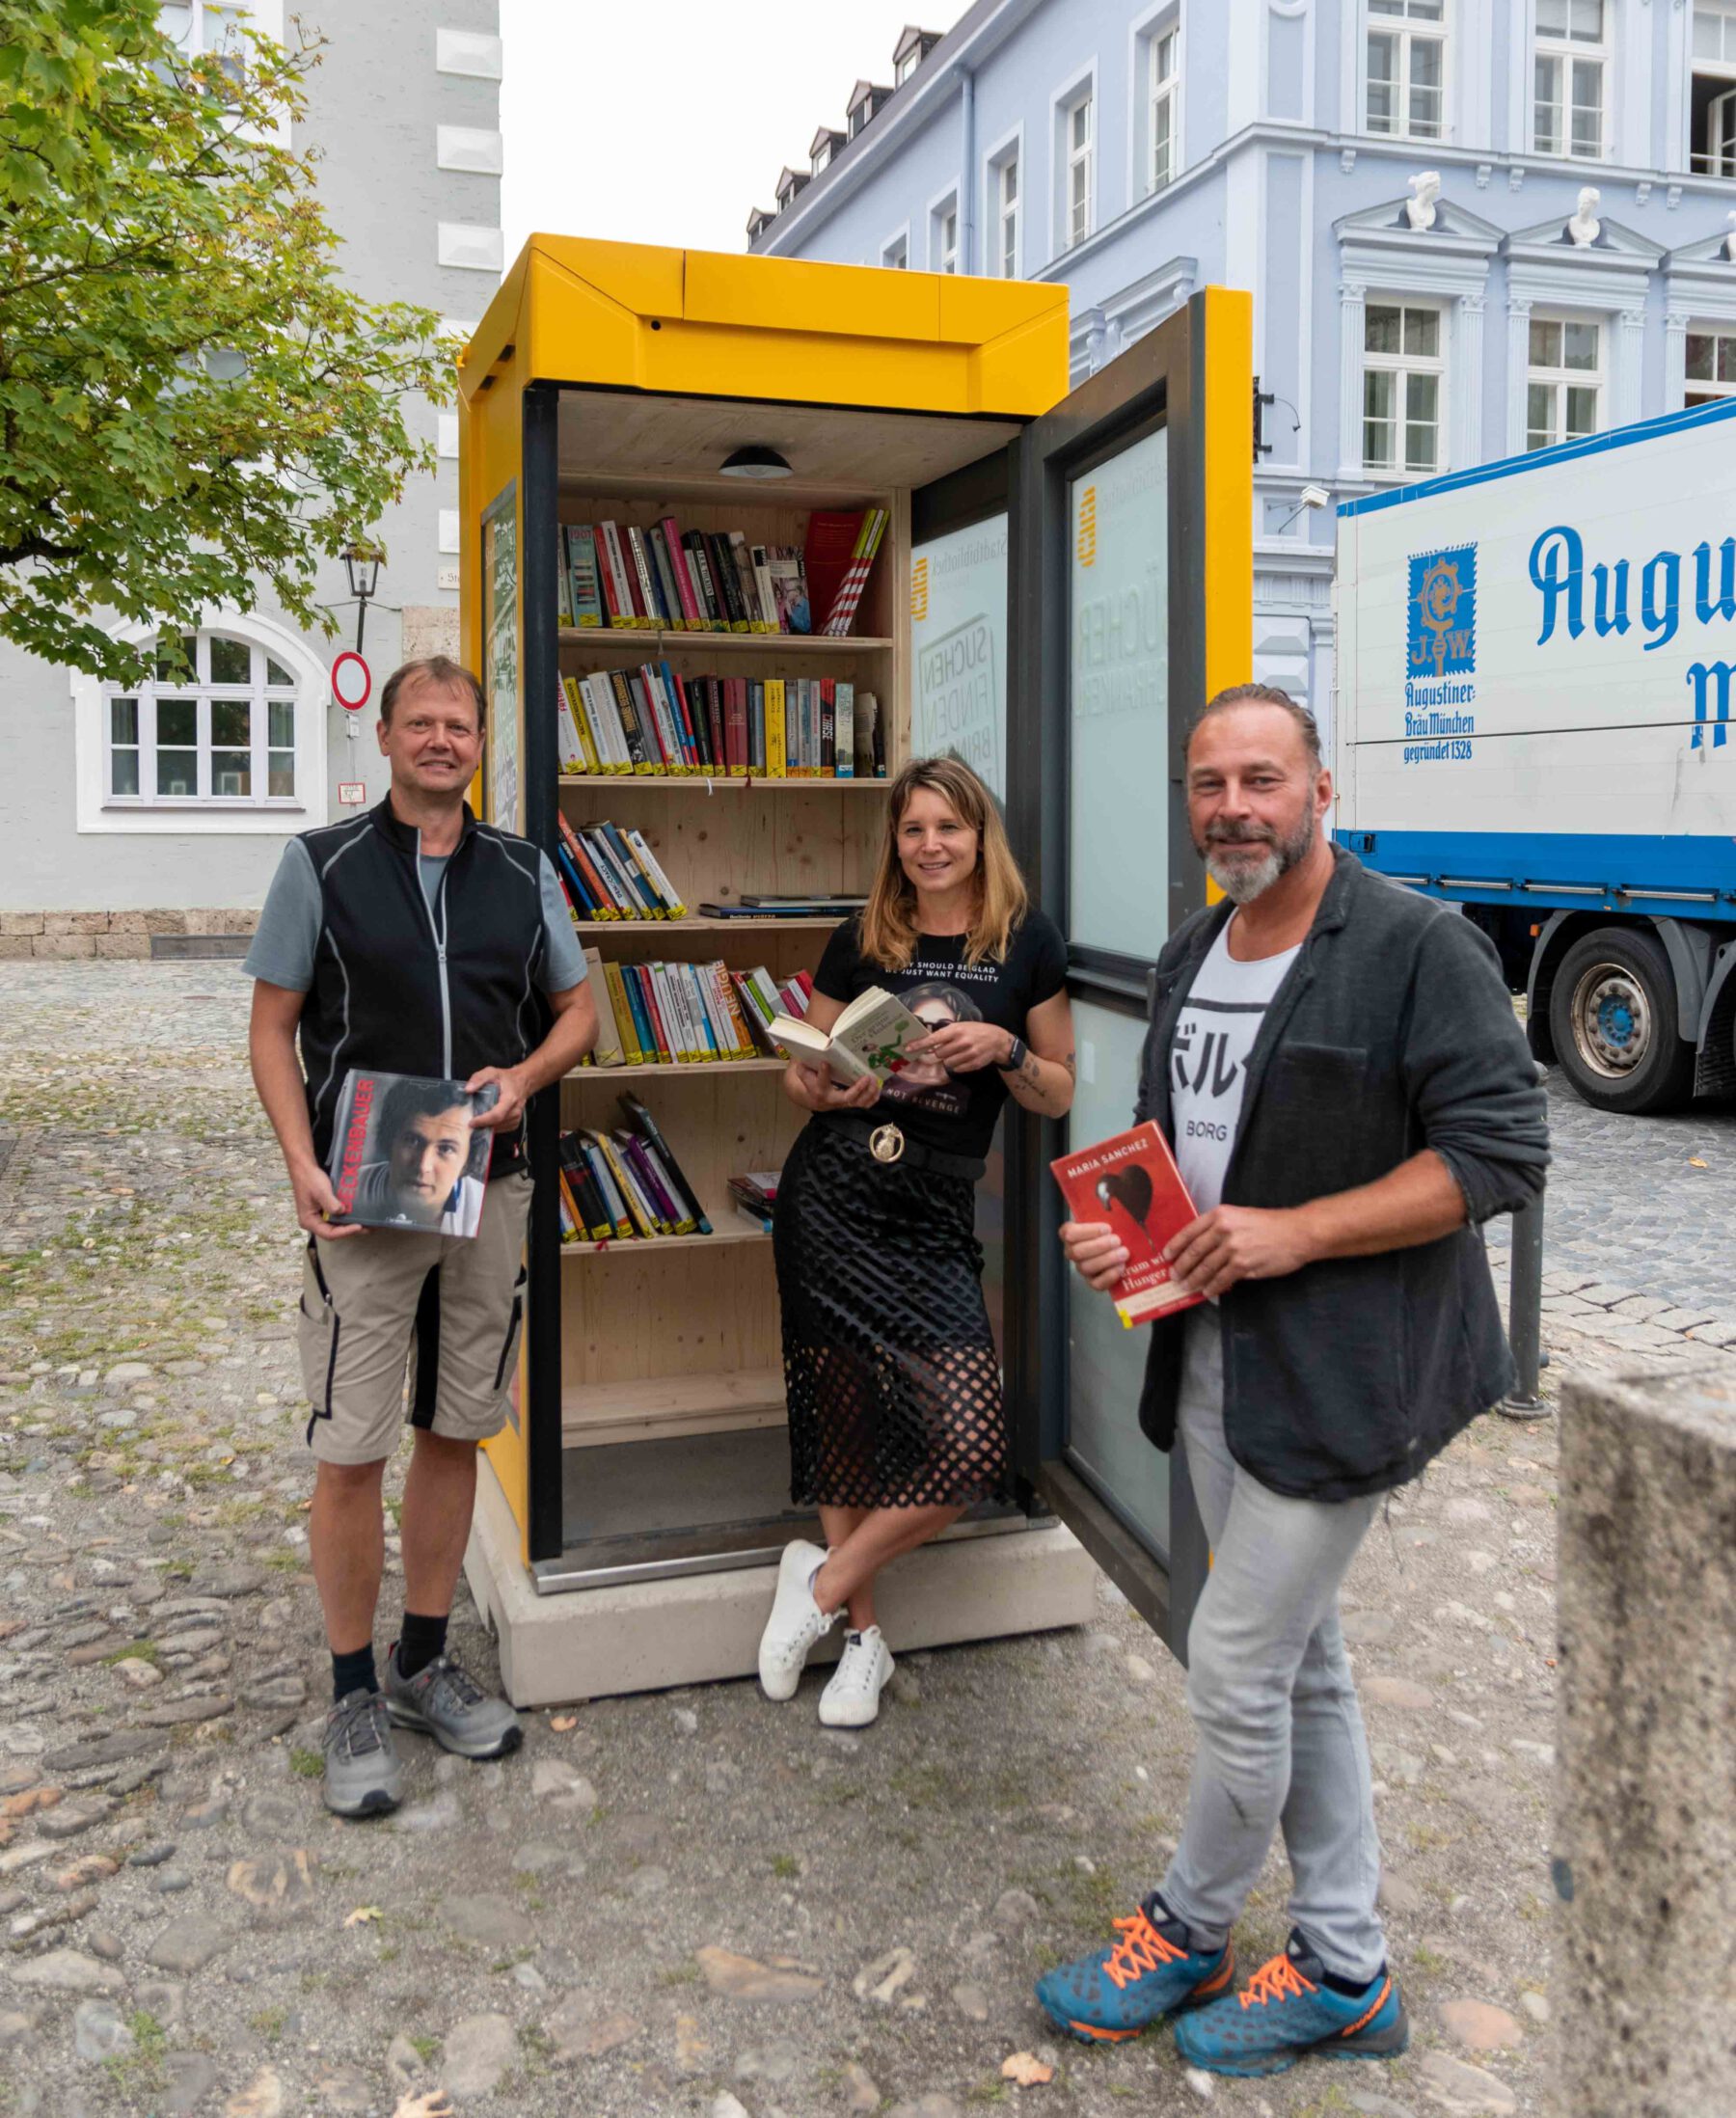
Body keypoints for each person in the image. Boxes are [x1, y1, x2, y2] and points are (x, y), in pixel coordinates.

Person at [1035, 684, 1547, 2080]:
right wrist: (1128, 1236)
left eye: (1263, 779)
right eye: (1210, 783)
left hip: (1345, 1375)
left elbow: (1501, 1153)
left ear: (1321, 788)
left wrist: (1293, 1233)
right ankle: (1344, 1963)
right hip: (1211, 1356)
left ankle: (1190, 1925)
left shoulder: (1415, 944)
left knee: (1238, 1663)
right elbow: (1187, 1148)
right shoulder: (1196, 945)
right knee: (1303, 1659)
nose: (1233, 807)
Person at [245, 655, 597, 1818]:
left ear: (480, 741)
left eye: (460, 724)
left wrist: (526, 1078)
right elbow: (273, 1024)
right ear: (387, 735)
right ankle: (350, 1687)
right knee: (351, 1447)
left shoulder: (525, 871)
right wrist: (300, 1162)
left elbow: (577, 1013)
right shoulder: (320, 865)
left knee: (456, 1432)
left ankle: (422, 1663)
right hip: (364, 1193)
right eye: (421, 723)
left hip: (487, 1190)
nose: (441, 739)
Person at [757, 755, 1075, 1727]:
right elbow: (799, 1072)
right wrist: (824, 1082)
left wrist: (1009, 1050)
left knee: (971, 1445)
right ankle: (862, 1639)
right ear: (894, 844)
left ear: (982, 836)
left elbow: (1059, 1088)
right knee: (846, 1424)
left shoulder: (1024, 942)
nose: (931, 846)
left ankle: (813, 1583)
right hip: (834, 1193)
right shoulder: (863, 935)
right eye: (913, 830)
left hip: (934, 1211)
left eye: (949, 827)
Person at [350, 1077, 487, 1237]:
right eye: (412, 1141)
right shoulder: (350, 1190)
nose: (424, 1166)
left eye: (446, 1148)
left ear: (468, 1160)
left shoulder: (483, 1208)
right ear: (390, 1140)